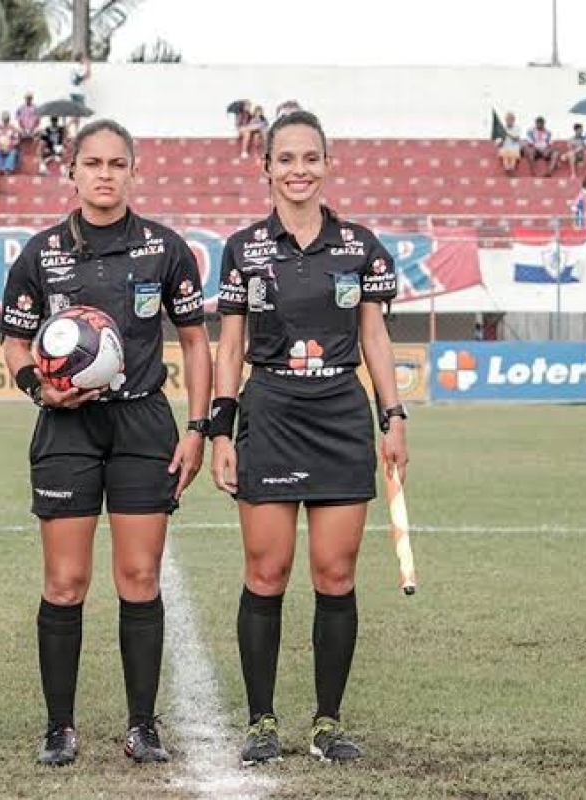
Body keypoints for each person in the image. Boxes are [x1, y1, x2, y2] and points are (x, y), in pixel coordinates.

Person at [0, 119, 212, 767]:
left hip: (143, 424)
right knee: (65, 581)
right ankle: (59, 727)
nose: (104, 174)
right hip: (66, 426)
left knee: (140, 577)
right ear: (72, 171)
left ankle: (142, 726)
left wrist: (199, 427)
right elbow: (14, 341)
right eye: (92, 162)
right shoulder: (41, 253)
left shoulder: (165, 249)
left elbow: (197, 342)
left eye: (117, 163)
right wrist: (41, 388)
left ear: (132, 170)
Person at [210, 110, 408, 767]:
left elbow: (375, 336)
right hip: (268, 413)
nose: (298, 170)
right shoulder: (242, 248)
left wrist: (393, 415)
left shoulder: (361, 246)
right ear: (265, 167)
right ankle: (262, 721)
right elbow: (230, 344)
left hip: (340, 416)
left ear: (328, 165)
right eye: (286, 158)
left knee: (335, 572)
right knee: (266, 572)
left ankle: (327, 723)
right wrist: (221, 430)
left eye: (310, 158)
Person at [0, 111, 21, 177]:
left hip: (10, 148)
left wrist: (10, 146)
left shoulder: (13, 127)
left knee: (13, 152)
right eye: (4, 119)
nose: (5, 121)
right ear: (2, 119)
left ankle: (7, 170)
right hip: (0, 147)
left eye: (7, 119)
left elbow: (17, 140)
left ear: (9, 119)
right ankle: (1, 169)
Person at [495, 111, 523, 176]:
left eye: (511, 119)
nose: (509, 121)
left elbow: (516, 139)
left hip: (514, 147)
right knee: (504, 154)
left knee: (514, 153)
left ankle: (511, 169)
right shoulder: (501, 129)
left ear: (514, 120)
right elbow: (498, 144)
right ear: (505, 120)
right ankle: (507, 169)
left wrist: (507, 134)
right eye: (508, 119)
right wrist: (503, 138)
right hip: (504, 147)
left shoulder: (517, 128)